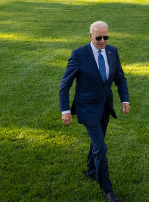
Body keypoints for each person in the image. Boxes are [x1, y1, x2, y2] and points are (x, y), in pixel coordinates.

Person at [59, 21, 129, 202]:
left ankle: (91, 170)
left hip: (105, 106)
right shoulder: (79, 54)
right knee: (100, 147)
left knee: (98, 142)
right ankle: (107, 190)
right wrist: (65, 110)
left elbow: (120, 77)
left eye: (106, 37)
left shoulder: (112, 52)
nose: (103, 41)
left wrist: (124, 99)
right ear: (90, 36)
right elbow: (65, 85)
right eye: (99, 37)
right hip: (87, 108)